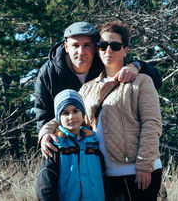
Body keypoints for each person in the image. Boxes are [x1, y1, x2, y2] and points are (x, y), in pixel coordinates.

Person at [41, 22, 163, 201]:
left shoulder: (141, 81)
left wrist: (144, 165)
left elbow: (152, 123)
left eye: (115, 46)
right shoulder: (88, 89)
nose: (108, 51)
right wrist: (45, 132)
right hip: (103, 174)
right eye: (103, 46)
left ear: (125, 50)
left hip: (136, 171)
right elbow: (69, 116)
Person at [36, 89, 105, 201]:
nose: (71, 117)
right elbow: (45, 186)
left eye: (75, 111)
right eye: (65, 113)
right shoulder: (55, 145)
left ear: (83, 113)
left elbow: (104, 178)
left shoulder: (94, 142)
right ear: (58, 118)